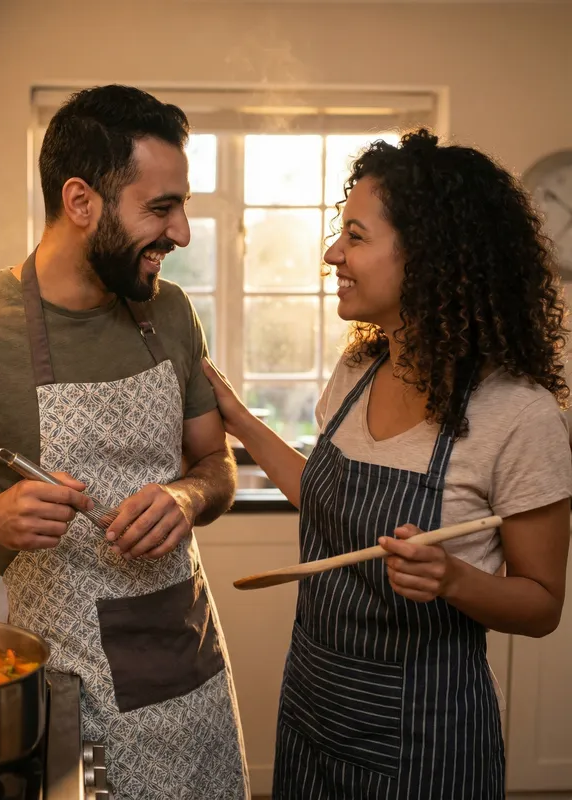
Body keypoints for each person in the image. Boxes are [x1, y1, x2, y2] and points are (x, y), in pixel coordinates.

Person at [0, 84, 250, 800]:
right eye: (161, 208)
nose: (183, 233)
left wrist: (186, 497)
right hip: (72, 695)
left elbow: (214, 466)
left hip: (192, 679)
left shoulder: (172, 313)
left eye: (182, 205)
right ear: (80, 202)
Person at [203, 128, 572, 799]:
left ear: (427, 255)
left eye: (356, 236)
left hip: (426, 743)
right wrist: (237, 417)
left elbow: (542, 603)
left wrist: (452, 579)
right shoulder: (358, 368)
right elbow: (322, 496)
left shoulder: (519, 414)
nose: (331, 253)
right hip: (312, 711)